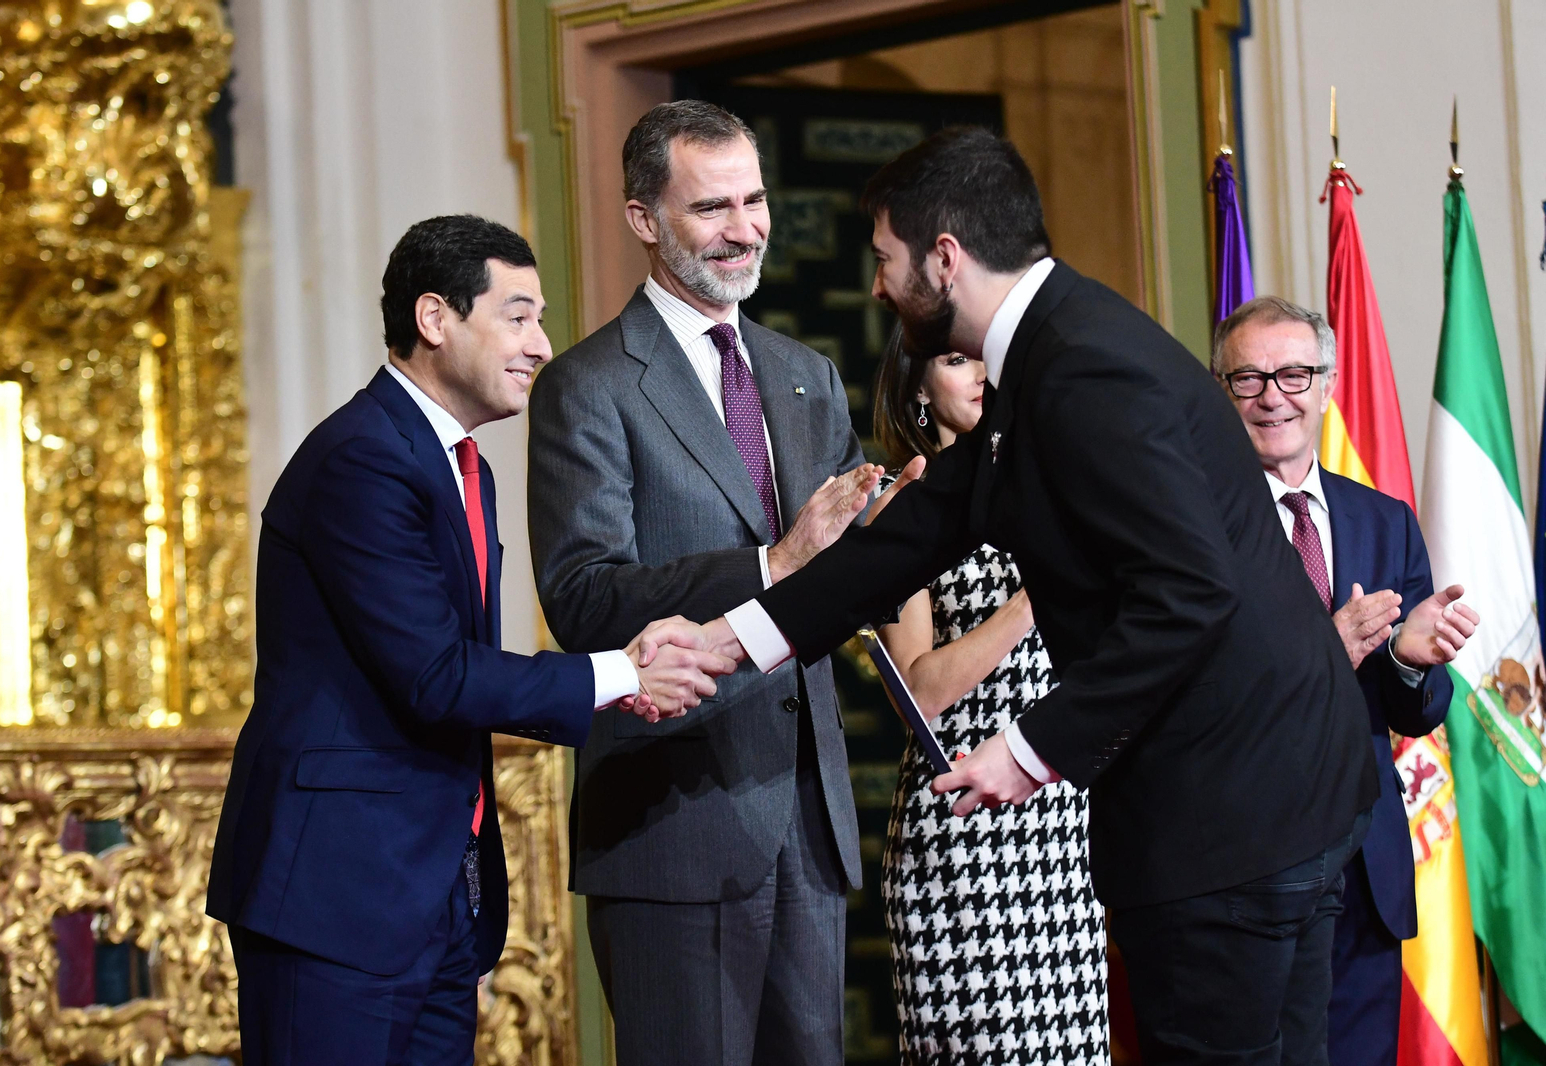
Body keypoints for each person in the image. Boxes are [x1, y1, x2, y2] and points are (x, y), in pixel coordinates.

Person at [640, 126, 1381, 1065]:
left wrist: (1029, 751)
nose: (878, 287)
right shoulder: (1053, 346)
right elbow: (915, 534)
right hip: (1279, 799)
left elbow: (1191, 596)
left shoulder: (1083, 369)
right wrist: (727, 641)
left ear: (944, 259)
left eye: (886, 259)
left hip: (1231, 820)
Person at [206, 215, 732, 1065]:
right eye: (517, 317)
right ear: (434, 318)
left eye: (541, 319)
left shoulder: (459, 466)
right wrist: (621, 673)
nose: (541, 345)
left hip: (434, 896)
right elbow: (438, 676)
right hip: (337, 898)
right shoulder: (361, 460)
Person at [526, 101, 879, 1066]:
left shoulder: (806, 374)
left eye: (754, 201)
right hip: (672, 823)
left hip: (805, 822)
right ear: (644, 218)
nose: (745, 229)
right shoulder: (588, 386)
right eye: (712, 207)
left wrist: (900, 534)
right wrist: (771, 566)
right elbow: (585, 598)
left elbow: (842, 568)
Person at [1213, 296, 1479, 1066]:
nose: (1274, 396)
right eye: (1249, 378)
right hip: (1246, 870)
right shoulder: (1196, 526)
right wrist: (1324, 649)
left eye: (1295, 375)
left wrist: (1409, 660)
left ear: (1327, 385)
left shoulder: (1384, 519)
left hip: (1365, 870)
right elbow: (1194, 691)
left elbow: (1419, 712)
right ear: (1221, 392)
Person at [871, 327, 1108, 1065]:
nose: (979, 373)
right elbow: (916, 690)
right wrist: (1029, 603)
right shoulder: (902, 505)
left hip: (1062, 826)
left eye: (986, 357)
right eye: (954, 360)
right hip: (961, 833)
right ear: (917, 387)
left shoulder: (1060, 491)